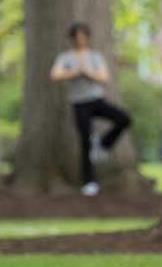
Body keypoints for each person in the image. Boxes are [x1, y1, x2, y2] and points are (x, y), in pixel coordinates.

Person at [49, 22, 132, 196]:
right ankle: (89, 182)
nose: (80, 39)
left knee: (123, 118)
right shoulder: (66, 57)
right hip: (79, 104)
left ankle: (103, 144)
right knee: (85, 141)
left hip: (96, 100)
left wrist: (86, 71)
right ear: (72, 39)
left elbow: (104, 76)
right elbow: (55, 75)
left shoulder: (95, 56)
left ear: (87, 38)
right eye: (77, 36)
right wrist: (74, 72)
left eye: (83, 36)